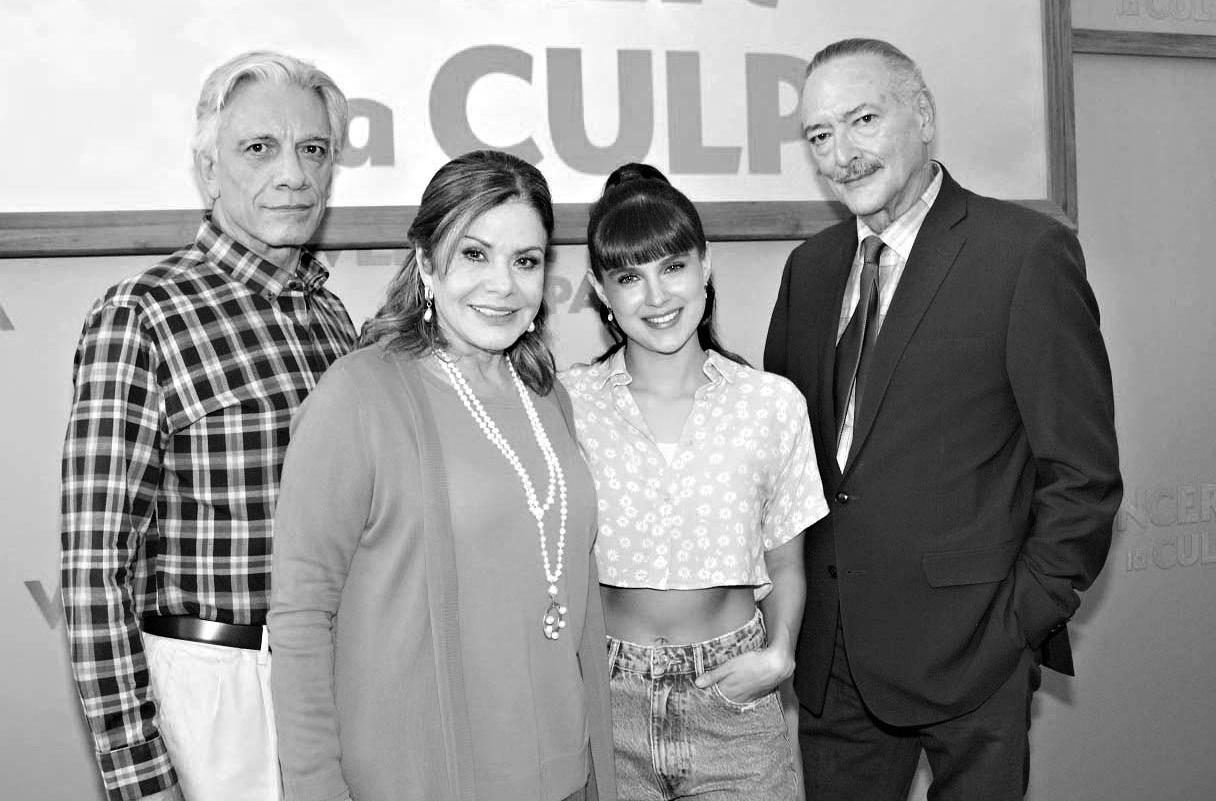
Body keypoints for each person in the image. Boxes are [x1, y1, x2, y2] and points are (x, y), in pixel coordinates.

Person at [763, 38, 1123, 800]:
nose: (842, 154)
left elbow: (1082, 474)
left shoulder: (1024, 254)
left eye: (863, 120)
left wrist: (1018, 622)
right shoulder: (810, 269)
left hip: (974, 654)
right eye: (820, 135)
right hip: (836, 662)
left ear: (922, 115)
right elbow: (787, 462)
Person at [268, 150, 617, 801]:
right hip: (423, 778)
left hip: (564, 774)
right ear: (427, 262)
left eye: (526, 260)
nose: (502, 284)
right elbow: (301, 617)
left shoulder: (547, 395)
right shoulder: (359, 395)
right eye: (474, 254)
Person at [59, 51, 356, 801]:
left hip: (337, 680)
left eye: (313, 149)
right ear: (207, 169)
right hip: (217, 696)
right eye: (259, 147)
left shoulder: (333, 317)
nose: (293, 174)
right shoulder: (142, 314)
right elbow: (95, 567)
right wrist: (139, 773)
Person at [562, 164, 828, 800]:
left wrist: (779, 654)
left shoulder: (770, 404)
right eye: (630, 277)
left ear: (705, 265)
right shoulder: (567, 404)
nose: (656, 297)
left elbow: (785, 562)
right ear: (600, 290)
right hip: (604, 703)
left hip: (733, 702)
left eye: (673, 267)